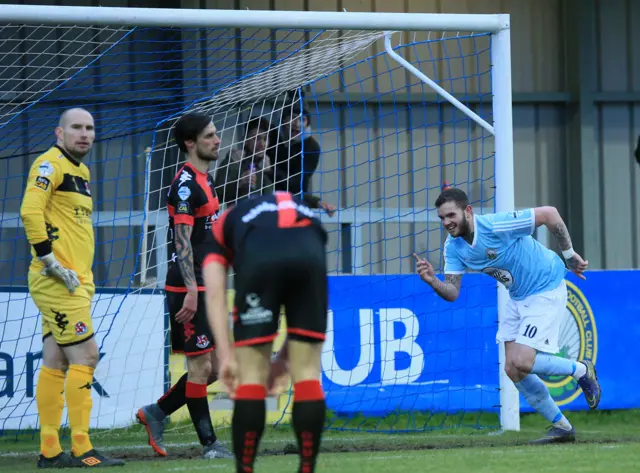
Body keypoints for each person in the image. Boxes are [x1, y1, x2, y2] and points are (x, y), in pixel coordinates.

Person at [414, 188, 601, 444]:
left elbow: (549, 214)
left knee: (522, 361)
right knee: (513, 369)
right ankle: (562, 427)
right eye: (442, 218)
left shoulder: (496, 225)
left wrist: (569, 255)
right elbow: (453, 292)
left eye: (451, 215)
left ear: (468, 211)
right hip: (517, 296)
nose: (446, 222)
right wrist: (432, 281)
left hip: (545, 287)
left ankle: (581, 370)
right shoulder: (453, 247)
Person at [20, 108, 124, 468]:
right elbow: (30, 210)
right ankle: (83, 448)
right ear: (59, 133)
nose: (85, 134)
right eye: (76, 128)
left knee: (56, 359)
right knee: (87, 356)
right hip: (57, 280)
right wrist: (50, 261)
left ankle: (49, 450)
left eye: (90, 128)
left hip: (77, 280)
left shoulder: (81, 170)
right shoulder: (50, 164)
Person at [202, 192, 330, 473]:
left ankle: (245, 469)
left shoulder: (222, 224)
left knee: (250, 378)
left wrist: (225, 356)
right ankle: (307, 468)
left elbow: (214, 293)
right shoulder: (305, 213)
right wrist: (284, 362)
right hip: (311, 251)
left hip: (261, 258)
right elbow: (302, 322)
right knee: (307, 372)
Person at [136, 112, 233, 459]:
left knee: (219, 366)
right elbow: (182, 242)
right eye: (209, 135)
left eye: (216, 133)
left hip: (208, 285)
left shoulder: (205, 179)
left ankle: (157, 412)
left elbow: (205, 234)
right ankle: (211, 445)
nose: (217, 140)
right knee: (200, 367)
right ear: (190, 144)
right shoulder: (184, 185)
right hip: (187, 287)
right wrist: (191, 289)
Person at [214, 117, 275, 205]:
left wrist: (270, 173)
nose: (262, 144)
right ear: (245, 140)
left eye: (265, 139)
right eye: (256, 138)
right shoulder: (234, 161)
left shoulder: (269, 164)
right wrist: (238, 184)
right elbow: (217, 196)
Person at [272, 105, 322, 195]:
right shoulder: (271, 137)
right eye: (292, 118)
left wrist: (270, 171)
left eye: (302, 120)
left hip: (295, 198)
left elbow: (296, 184)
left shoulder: (312, 147)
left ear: (307, 124)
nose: (297, 124)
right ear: (283, 120)